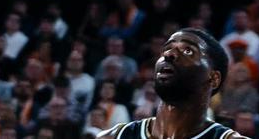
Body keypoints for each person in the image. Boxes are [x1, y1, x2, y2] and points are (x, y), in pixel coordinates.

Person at [96, 29, 244, 139]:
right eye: (167, 49)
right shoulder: (114, 136)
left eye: (187, 50)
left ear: (214, 78)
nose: (168, 54)